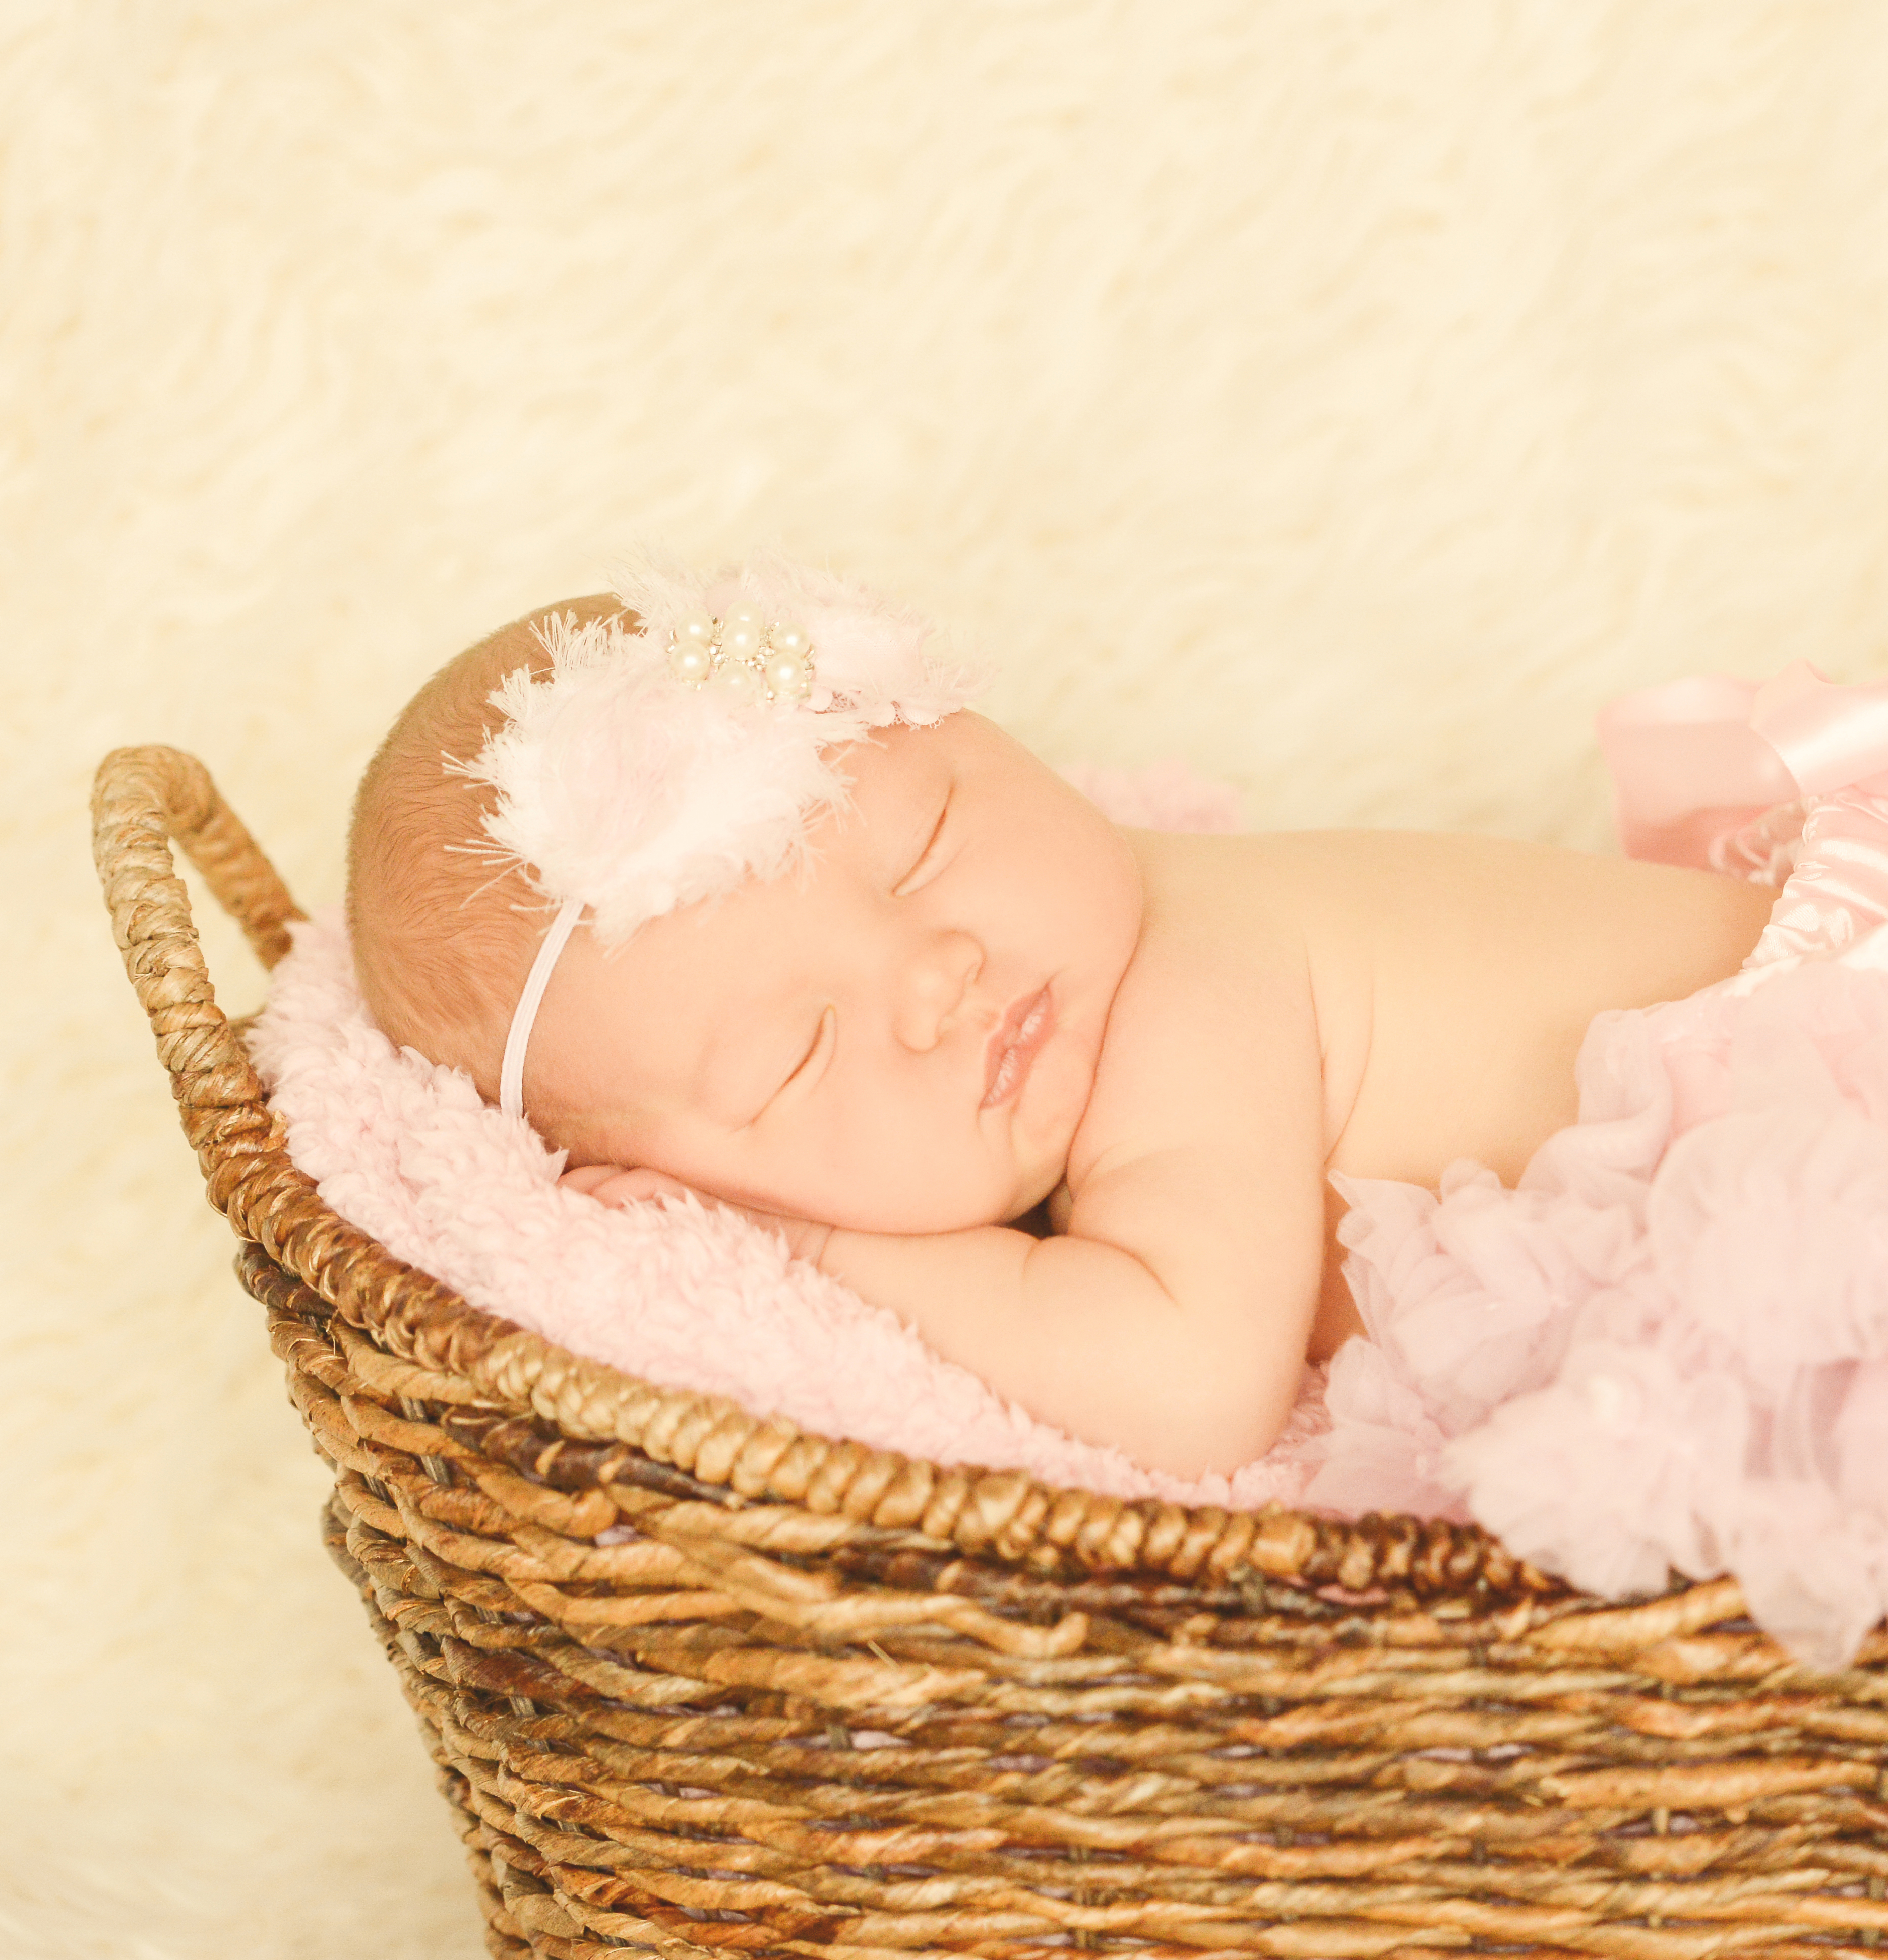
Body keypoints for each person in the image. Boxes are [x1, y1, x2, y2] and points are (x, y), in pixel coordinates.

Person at [346, 566, 1777, 1477]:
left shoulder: (1187, 987)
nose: (939, 972)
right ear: (694, 1174)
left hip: (1845, 1095)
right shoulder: (1081, 1010)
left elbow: (1192, 1382)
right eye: (802, 1050)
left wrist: (818, 1246)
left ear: (984, 734)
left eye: (928, 842)